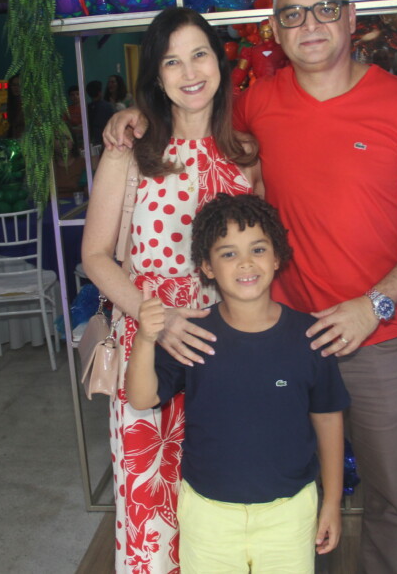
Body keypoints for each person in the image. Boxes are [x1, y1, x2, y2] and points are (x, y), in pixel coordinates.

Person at [104, 0, 397, 574]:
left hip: (375, 334)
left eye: (325, 8)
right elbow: (192, 114)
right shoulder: (255, 106)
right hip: (275, 335)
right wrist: (133, 116)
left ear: (350, 16)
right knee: (284, 488)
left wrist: (373, 305)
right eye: (293, 14)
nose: (310, 24)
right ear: (275, 27)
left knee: (389, 490)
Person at [81, 6, 260, 573]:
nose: (189, 72)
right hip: (149, 350)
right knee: (151, 515)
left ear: (220, 63)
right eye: (171, 62)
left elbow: (264, 258)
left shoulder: (246, 155)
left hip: (224, 358)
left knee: (222, 514)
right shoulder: (131, 150)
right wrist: (157, 318)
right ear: (156, 78)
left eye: (199, 55)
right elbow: (94, 255)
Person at [126, 193, 348, 572]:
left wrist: (332, 502)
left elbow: (328, 419)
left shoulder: (310, 337)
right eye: (228, 253)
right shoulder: (193, 335)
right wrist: (145, 339)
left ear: (277, 257)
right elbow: (142, 397)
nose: (246, 263)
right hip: (208, 515)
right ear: (207, 267)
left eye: (258, 249)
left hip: (290, 512)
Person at [84, 80, 115, 148]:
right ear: (100, 92)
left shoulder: (87, 107)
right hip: (105, 139)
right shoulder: (107, 106)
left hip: (93, 139)